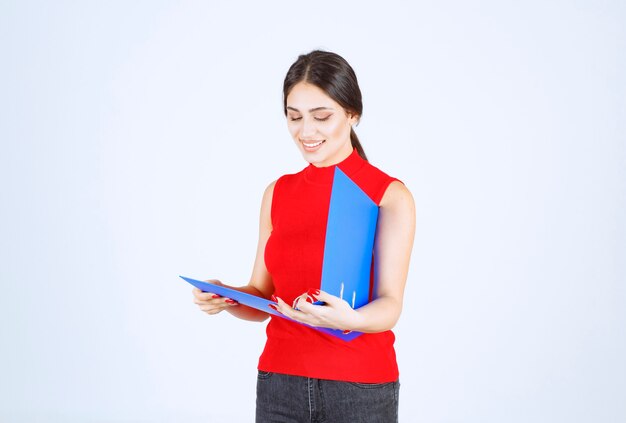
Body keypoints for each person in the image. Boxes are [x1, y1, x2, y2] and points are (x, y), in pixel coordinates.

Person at [192, 50, 415, 422]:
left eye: (321, 116)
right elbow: (262, 297)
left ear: (352, 114)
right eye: (294, 117)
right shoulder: (277, 192)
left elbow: (390, 305)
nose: (306, 131)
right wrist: (226, 296)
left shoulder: (387, 195)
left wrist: (349, 320)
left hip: (358, 389)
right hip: (280, 383)